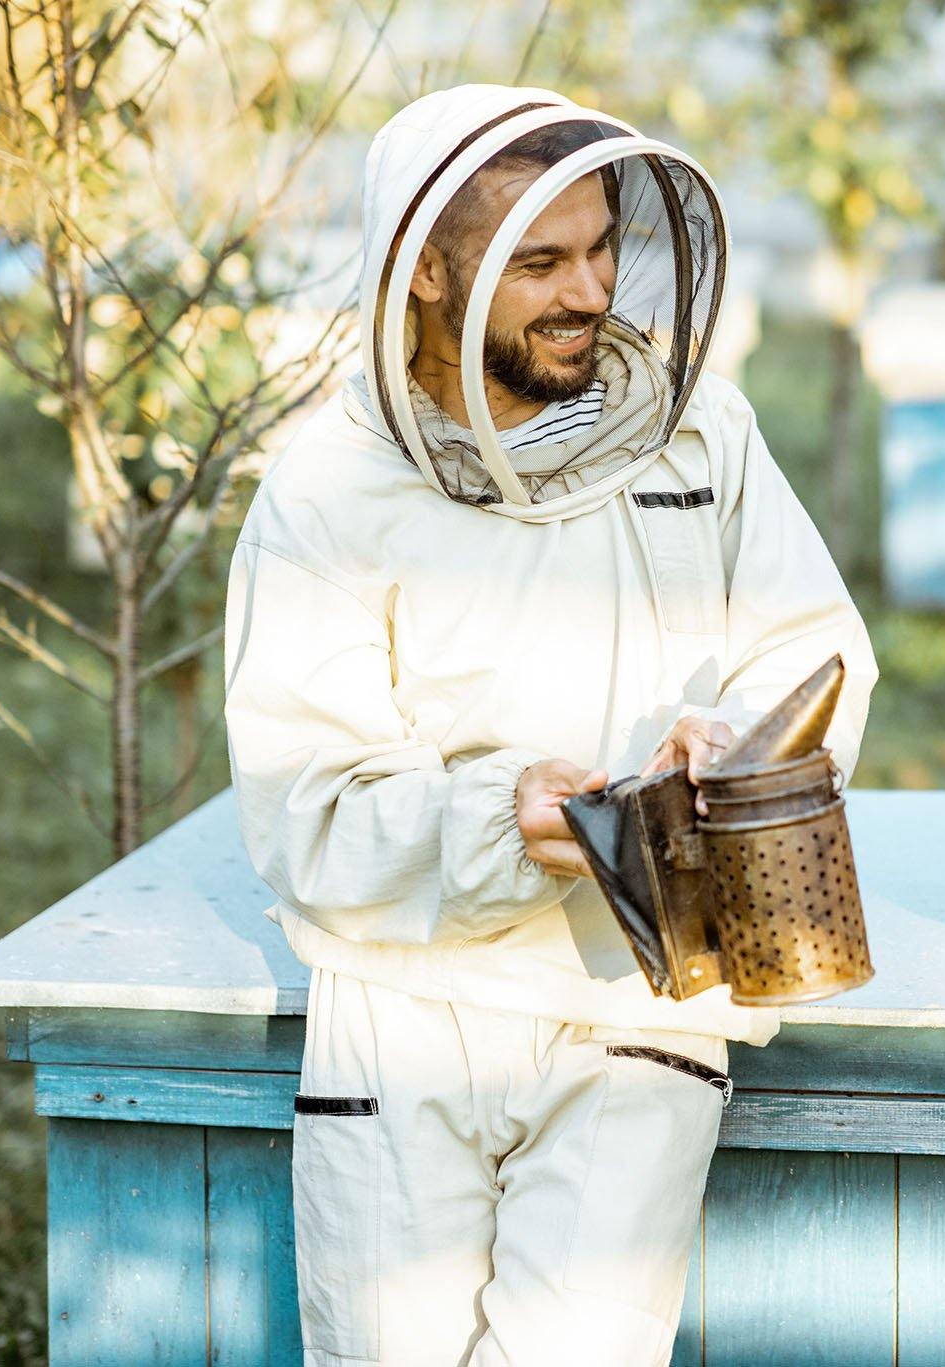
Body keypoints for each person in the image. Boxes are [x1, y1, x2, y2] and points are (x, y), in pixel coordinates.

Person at [222, 85, 876, 1365]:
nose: (588, 291)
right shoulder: (325, 492)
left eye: (599, 249)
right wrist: (498, 816)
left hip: (647, 997)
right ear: (423, 271)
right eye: (537, 263)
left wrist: (736, 747)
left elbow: (810, 650)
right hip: (409, 1009)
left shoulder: (701, 431)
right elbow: (306, 805)